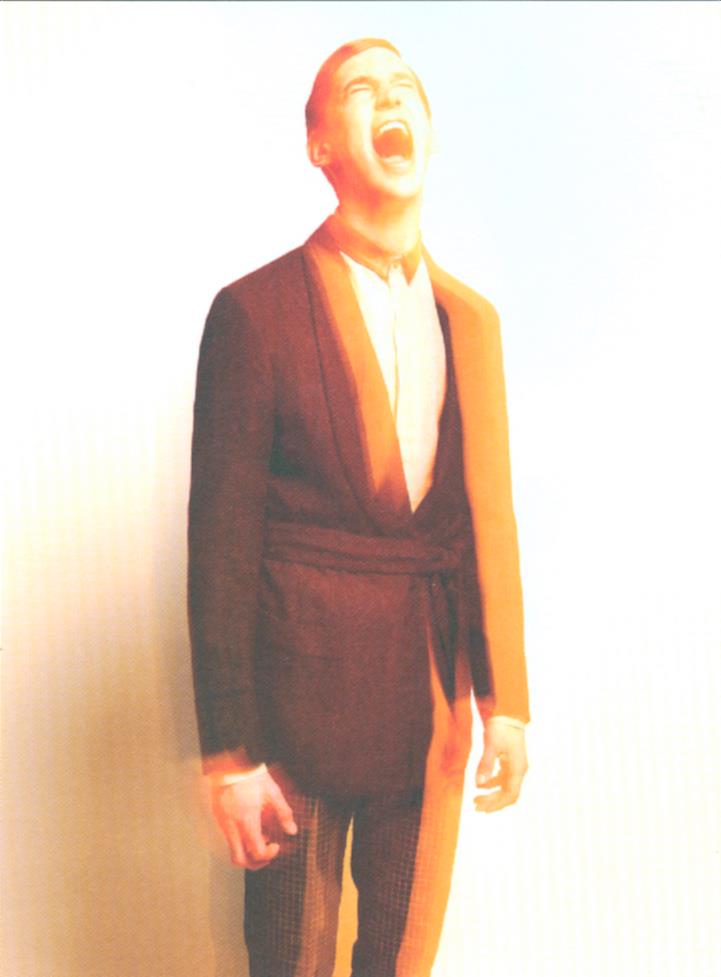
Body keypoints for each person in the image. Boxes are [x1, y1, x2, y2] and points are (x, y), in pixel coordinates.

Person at [188, 37, 530, 977]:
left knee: (401, 961)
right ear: (319, 146)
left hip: (426, 708)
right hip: (291, 717)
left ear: (428, 131)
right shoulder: (254, 312)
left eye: (406, 87)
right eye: (361, 88)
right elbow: (218, 545)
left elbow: (486, 518)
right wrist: (228, 752)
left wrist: (504, 702)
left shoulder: (472, 321)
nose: (391, 99)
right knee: (287, 961)